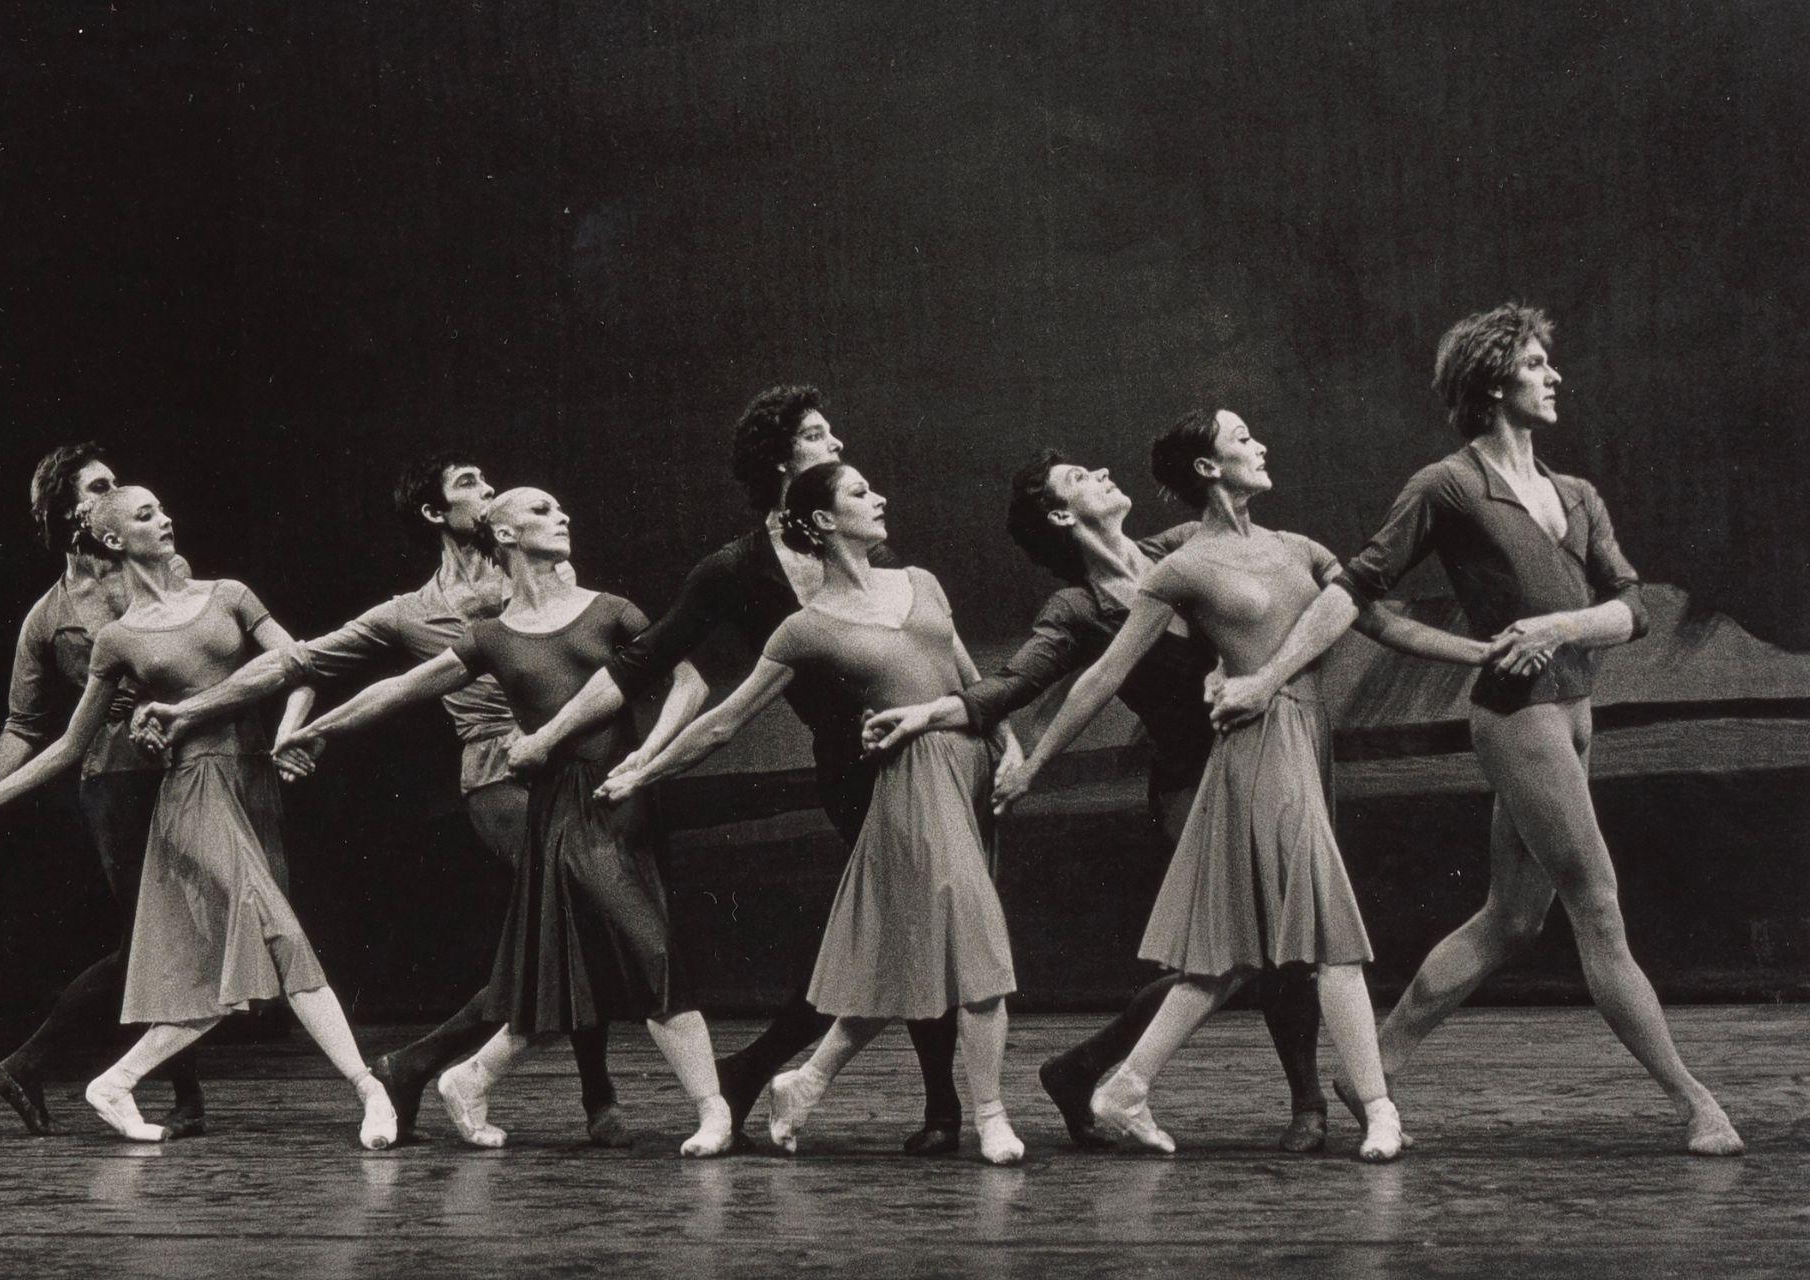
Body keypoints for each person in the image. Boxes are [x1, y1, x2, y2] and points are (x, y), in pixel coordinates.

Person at [1208, 304, 1744, 1156]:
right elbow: (1353, 592)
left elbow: (1632, 610)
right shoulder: (1448, 485)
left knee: (1512, 920)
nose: (1554, 375)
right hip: (1517, 719)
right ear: (1495, 381)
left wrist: (1560, 629)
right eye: (1536, 363)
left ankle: (1371, 1068)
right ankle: (1694, 1102)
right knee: (1596, 907)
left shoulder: (1577, 494)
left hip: (1574, 709)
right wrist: (1268, 679)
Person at [995, 410, 1491, 1162]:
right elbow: (1102, 677)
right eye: (1242, 438)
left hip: (1299, 738)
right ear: (1207, 468)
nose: (1260, 445)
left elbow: (1381, 623)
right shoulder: (1179, 568)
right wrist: (1031, 762)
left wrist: (1481, 653)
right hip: (1248, 752)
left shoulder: (1300, 549)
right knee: (1324, 936)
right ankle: (1379, 1110)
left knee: (1228, 955)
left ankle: (1124, 1087)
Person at [506, 386, 969, 1155]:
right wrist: (560, 735)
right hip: (855, 764)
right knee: (909, 919)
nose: (838, 443)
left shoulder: (865, 545)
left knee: (911, 922)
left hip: (936, 749)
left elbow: (931, 645)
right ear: (784, 462)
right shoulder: (735, 569)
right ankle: (939, 1107)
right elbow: (643, 660)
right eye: (819, 436)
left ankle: (770, 1071)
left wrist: (984, 723)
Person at [129, 453, 625, 1145]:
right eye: (469, 485)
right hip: (500, 779)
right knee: (576, 916)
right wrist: (195, 710)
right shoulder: (408, 614)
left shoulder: (544, 570)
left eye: (490, 482)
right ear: (434, 513)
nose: (489, 490)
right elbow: (296, 660)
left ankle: (424, 1065)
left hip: (581, 766)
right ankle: (588, 1095)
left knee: (573, 925)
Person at [275, 487, 731, 1156]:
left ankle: (470, 1074)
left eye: (561, 507)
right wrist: (318, 728)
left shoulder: (611, 612)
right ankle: (712, 1109)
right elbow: (401, 688)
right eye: (543, 510)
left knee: (566, 961)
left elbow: (689, 685)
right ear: (506, 534)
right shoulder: (490, 637)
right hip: (560, 806)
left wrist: (649, 760)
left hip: (625, 795)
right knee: (648, 949)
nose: (564, 514)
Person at [597, 462, 1026, 1165]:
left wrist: (1011, 748)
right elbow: (723, 723)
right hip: (910, 787)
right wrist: (645, 768)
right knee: (977, 950)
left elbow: (971, 676)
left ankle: (804, 1081)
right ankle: (992, 1116)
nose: (880, 496)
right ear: (824, 521)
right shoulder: (805, 628)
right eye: (860, 491)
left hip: (970, 772)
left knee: (904, 954)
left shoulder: (921, 582)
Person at [0, 486, 397, 1149]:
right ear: (110, 540)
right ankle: (369, 1087)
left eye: (162, 510)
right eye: (145, 515)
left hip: (251, 784)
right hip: (192, 797)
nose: (165, 519)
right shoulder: (118, 639)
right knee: (278, 934)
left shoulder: (229, 596)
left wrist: (289, 735)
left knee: (221, 971)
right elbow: (71, 744)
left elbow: (300, 667)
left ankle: (115, 1083)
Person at [0, 443, 207, 1138]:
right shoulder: (49, 618)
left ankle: (35, 1064)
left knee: (169, 937)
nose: (118, 491)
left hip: (185, 762)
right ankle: (171, 1093)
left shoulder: (156, 567)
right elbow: (24, 725)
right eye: (102, 486)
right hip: (113, 784)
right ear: (73, 511)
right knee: (154, 937)